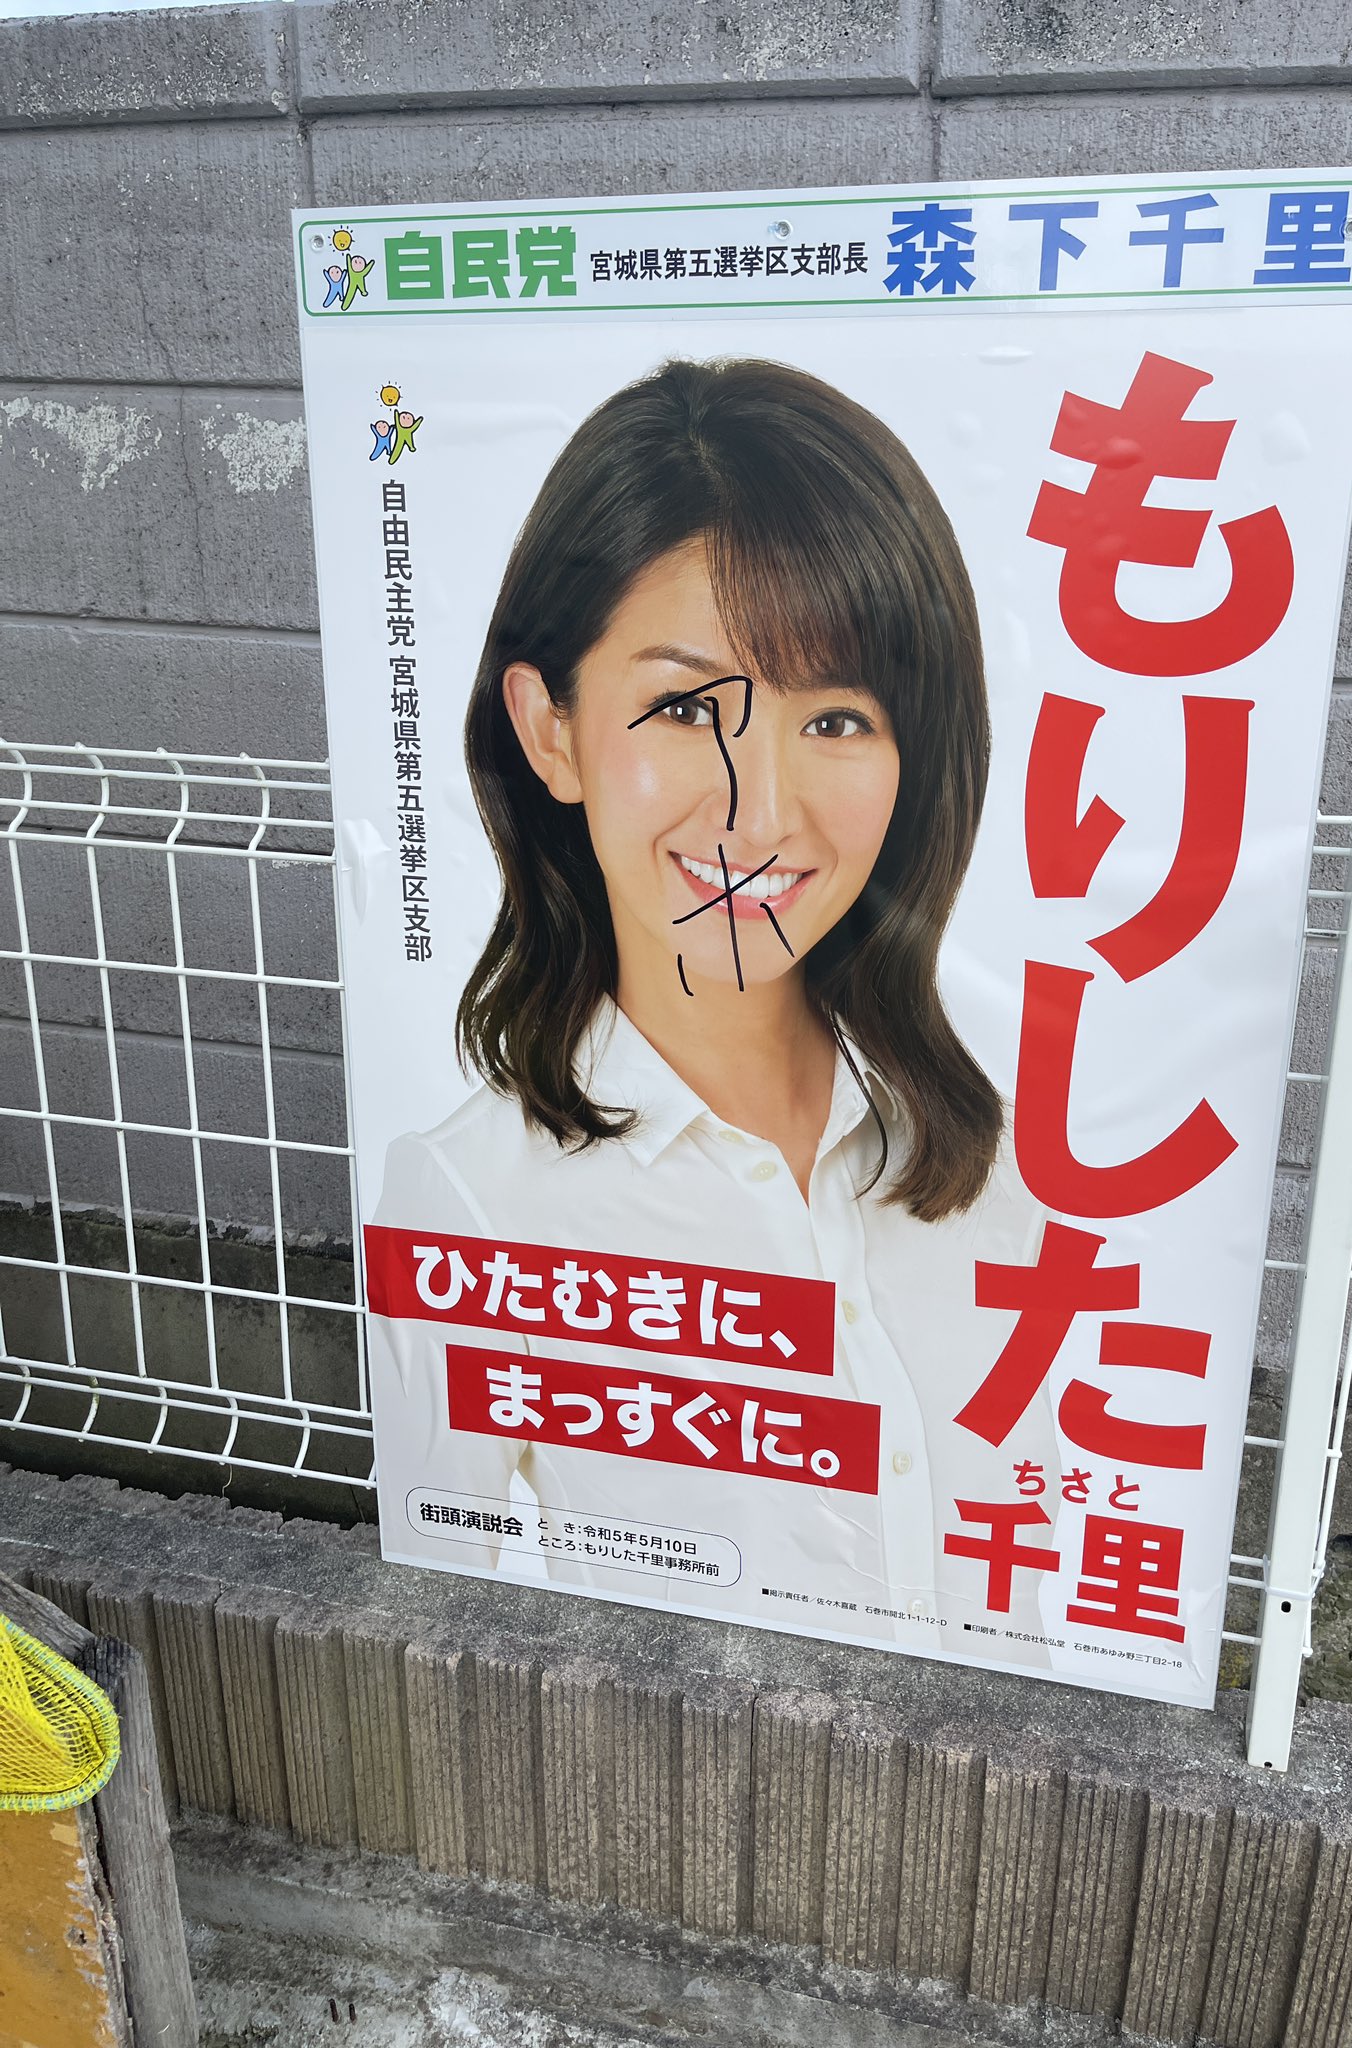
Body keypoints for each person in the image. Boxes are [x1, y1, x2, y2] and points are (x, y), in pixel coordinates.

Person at [370, 358, 1057, 1660]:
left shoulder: (1004, 1133)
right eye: (687, 706)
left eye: (838, 718)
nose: (762, 811)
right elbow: (435, 1642)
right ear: (553, 730)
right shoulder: (473, 1201)